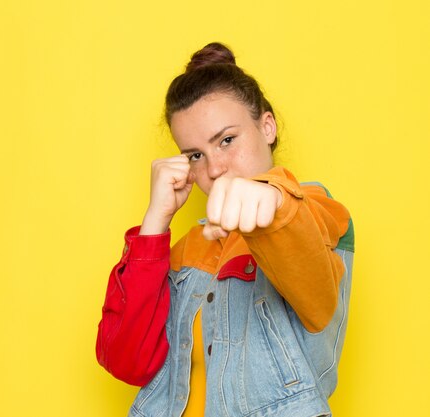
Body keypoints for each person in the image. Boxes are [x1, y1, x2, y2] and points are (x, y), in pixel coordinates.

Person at [95, 42, 354, 417]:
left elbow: (313, 281)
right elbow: (127, 362)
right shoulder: (188, 249)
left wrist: (274, 201)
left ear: (267, 126)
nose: (214, 168)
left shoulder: (320, 213)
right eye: (195, 155)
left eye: (227, 140)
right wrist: (155, 221)